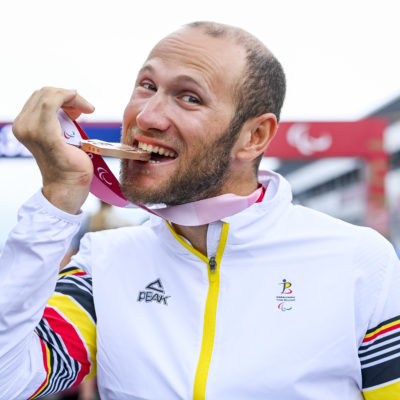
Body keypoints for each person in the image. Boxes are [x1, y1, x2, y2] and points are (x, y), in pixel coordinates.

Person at [0, 21, 399, 400]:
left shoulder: (359, 261)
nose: (147, 116)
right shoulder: (102, 263)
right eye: (147, 86)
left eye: (189, 97)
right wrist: (58, 195)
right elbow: (9, 381)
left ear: (254, 136)